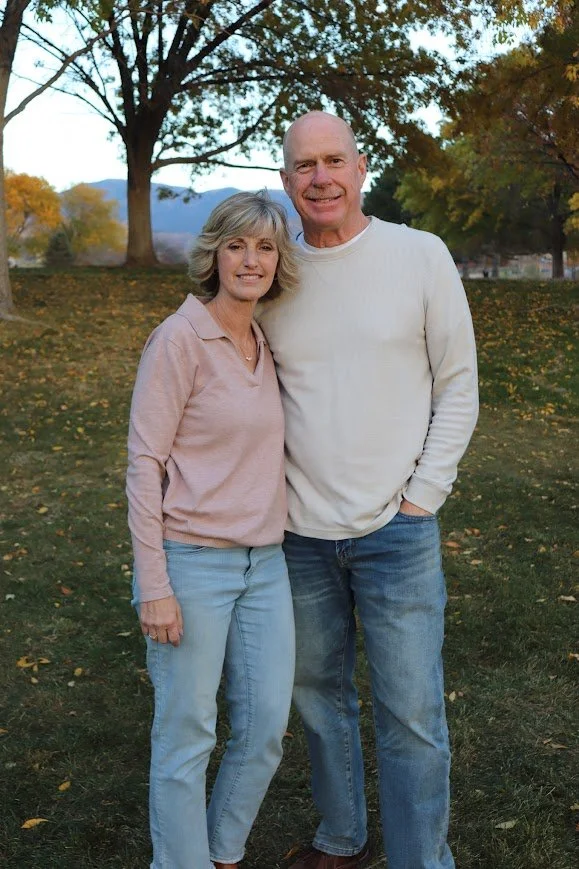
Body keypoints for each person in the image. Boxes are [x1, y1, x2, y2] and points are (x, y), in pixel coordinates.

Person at [259, 112, 479, 869]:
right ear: (285, 179)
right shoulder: (272, 270)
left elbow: (457, 386)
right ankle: (342, 838)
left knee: (411, 714)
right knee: (319, 701)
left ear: (358, 167)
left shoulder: (420, 255)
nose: (318, 178)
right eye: (301, 166)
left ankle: (422, 859)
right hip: (298, 536)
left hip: (397, 531)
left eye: (331, 161)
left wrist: (421, 497)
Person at [126, 191, 298, 869]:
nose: (250, 259)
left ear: (277, 259)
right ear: (213, 254)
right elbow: (144, 464)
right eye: (236, 244)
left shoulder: (264, 339)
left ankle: (221, 852)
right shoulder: (178, 338)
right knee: (186, 735)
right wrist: (154, 584)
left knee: (262, 732)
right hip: (191, 563)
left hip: (266, 566)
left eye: (264, 246)